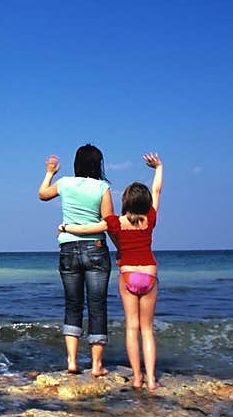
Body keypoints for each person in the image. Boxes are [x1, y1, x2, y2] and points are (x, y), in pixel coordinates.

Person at [59, 152, 163, 391]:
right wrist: (158, 168)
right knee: (147, 330)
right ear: (145, 203)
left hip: (127, 275)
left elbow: (91, 228)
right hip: (149, 274)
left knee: (131, 328)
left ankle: (136, 377)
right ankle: (151, 380)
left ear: (125, 202)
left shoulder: (116, 222)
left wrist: (66, 227)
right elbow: (156, 191)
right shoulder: (151, 218)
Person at [38, 144, 114, 377]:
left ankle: (71, 361)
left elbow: (42, 194)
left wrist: (51, 172)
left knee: (72, 304)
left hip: (68, 248)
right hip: (96, 248)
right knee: (97, 306)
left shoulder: (65, 183)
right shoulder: (102, 187)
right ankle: (97, 366)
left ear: (76, 163)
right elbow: (108, 223)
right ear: (98, 164)